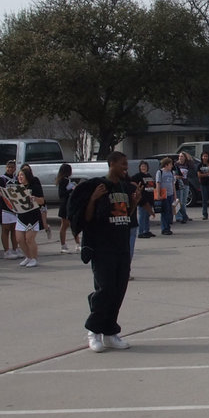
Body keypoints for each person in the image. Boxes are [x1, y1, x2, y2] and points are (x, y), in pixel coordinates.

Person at [82, 151, 139, 353]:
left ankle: (110, 332)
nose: (126, 168)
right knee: (105, 290)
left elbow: (125, 215)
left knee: (118, 290)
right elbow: (88, 218)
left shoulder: (124, 187)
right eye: (123, 164)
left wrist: (134, 202)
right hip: (103, 248)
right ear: (112, 163)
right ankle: (93, 331)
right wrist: (93, 199)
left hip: (121, 246)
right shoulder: (100, 186)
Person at [13, 164, 44, 267]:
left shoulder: (34, 185)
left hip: (33, 216)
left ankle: (34, 258)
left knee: (29, 239)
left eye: (22, 175)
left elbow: (42, 201)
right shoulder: (17, 187)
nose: (20, 177)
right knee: (19, 239)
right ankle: (28, 257)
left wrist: (34, 198)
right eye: (19, 175)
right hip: (21, 215)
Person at [0, 159, 21, 260]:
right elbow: (0, 193)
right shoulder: (2, 179)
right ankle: (6, 251)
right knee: (5, 230)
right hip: (5, 208)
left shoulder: (16, 179)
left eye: (12, 167)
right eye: (8, 167)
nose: (10, 169)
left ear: (15, 168)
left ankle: (16, 249)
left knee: (14, 230)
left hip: (14, 208)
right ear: (6, 168)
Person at [57, 163, 83, 251]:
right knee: (65, 225)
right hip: (65, 205)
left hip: (69, 204)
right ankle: (64, 245)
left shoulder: (67, 180)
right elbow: (61, 194)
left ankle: (77, 243)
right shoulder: (63, 181)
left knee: (71, 224)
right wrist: (71, 189)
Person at [131, 161, 156, 238]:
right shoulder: (138, 176)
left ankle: (146, 230)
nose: (143, 167)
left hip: (150, 198)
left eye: (144, 166)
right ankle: (141, 232)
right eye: (142, 166)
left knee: (147, 215)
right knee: (142, 215)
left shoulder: (149, 175)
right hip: (143, 199)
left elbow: (153, 185)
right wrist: (137, 189)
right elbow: (131, 182)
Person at [156, 157, 176, 235]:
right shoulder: (160, 172)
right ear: (166, 164)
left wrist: (175, 195)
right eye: (170, 164)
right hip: (164, 194)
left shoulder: (171, 173)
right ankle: (164, 228)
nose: (171, 166)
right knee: (165, 212)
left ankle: (168, 227)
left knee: (170, 212)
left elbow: (173, 184)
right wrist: (158, 194)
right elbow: (158, 183)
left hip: (170, 194)